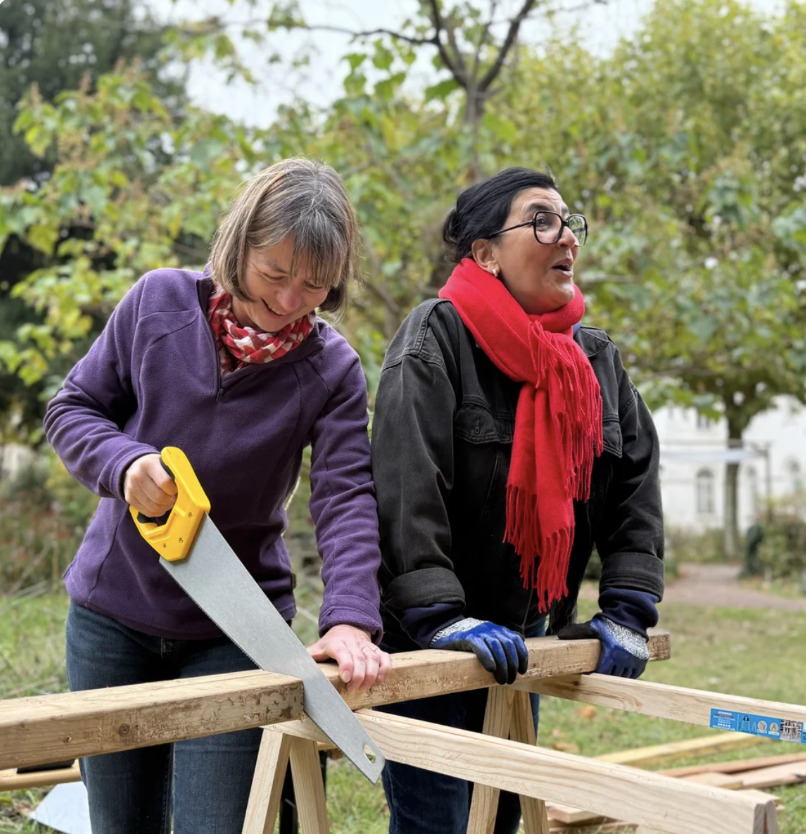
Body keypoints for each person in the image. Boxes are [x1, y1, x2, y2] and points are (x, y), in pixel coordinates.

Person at [44, 157, 391, 834]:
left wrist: (350, 618)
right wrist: (123, 463)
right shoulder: (156, 304)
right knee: (120, 824)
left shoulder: (333, 369)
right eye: (276, 274)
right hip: (113, 618)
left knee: (219, 824)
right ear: (239, 247)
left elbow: (345, 497)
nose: (291, 300)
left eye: (315, 285)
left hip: (235, 630)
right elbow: (73, 409)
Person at [371, 166, 664, 834]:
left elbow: (635, 483)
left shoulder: (593, 360)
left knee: (503, 815)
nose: (565, 237)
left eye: (570, 223)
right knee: (438, 822)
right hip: (428, 647)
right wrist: (442, 616)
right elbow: (406, 483)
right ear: (484, 253)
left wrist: (627, 608)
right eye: (541, 220)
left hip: (521, 638)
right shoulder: (434, 339)